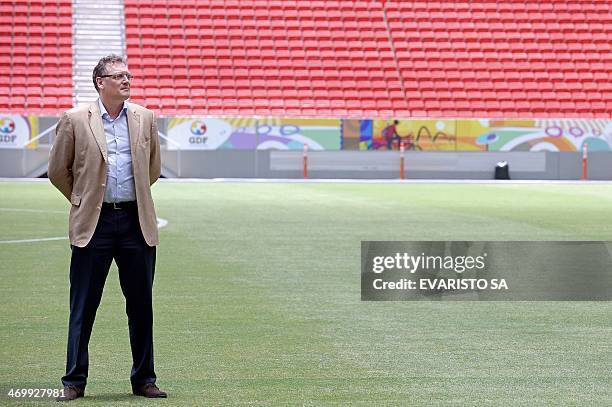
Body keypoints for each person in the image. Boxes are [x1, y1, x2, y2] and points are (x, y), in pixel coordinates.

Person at [48, 54, 166, 401]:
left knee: (141, 305)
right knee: (83, 305)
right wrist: (83, 200)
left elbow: (153, 168)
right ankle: (73, 381)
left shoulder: (145, 117)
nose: (127, 80)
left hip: (135, 222)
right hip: (93, 224)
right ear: (101, 82)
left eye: (129, 74)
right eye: (119, 76)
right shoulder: (74, 119)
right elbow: (58, 170)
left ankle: (144, 379)